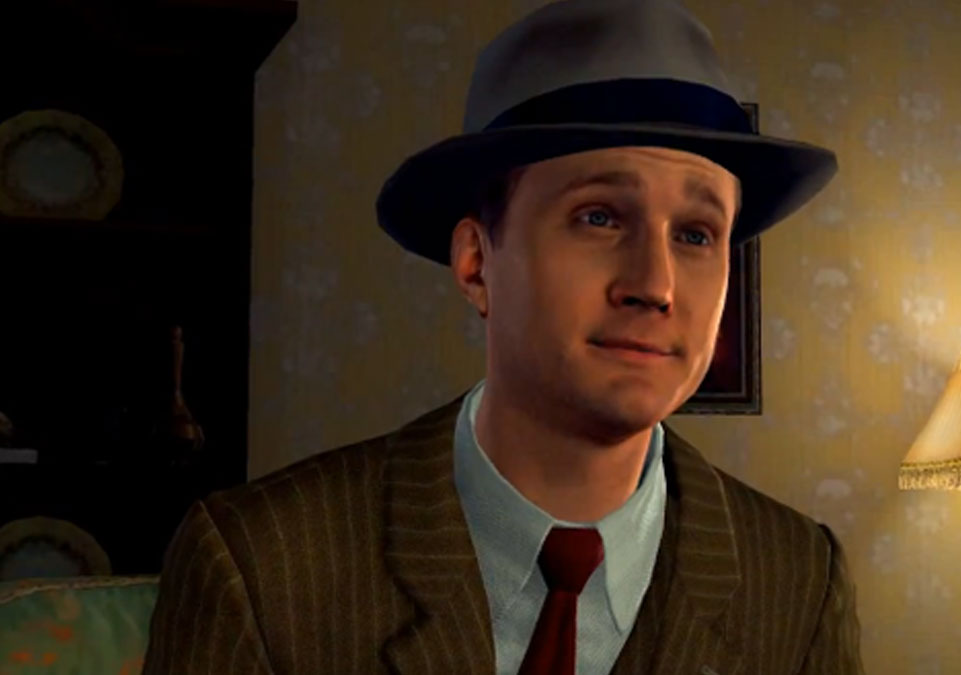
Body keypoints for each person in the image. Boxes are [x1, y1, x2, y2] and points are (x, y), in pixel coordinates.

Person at [142, 0, 864, 673]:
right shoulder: (261, 566)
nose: (655, 283)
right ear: (476, 261)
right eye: (599, 217)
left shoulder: (799, 581)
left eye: (697, 234)